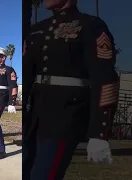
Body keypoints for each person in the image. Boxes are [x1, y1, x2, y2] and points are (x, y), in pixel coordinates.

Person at [23, 0, 119, 179]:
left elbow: (105, 79)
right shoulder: (37, 30)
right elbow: (27, 76)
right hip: (35, 117)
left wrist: (99, 133)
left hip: (66, 117)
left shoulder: (91, 26)